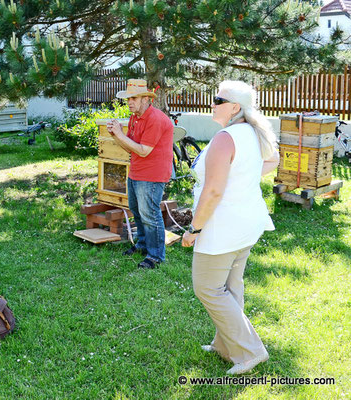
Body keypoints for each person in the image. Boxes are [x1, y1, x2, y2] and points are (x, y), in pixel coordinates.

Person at [181, 80, 279, 375]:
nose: (212, 103)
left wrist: (194, 230)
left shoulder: (226, 138)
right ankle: (226, 345)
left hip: (223, 226)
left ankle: (250, 351)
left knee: (208, 288)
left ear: (234, 107)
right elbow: (273, 159)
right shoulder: (251, 132)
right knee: (230, 285)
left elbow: (212, 193)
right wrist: (243, 178)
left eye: (217, 99)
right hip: (246, 224)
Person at [106, 79, 174, 269]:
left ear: (146, 99)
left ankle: (156, 256)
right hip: (136, 171)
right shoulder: (135, 117)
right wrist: (116, 135)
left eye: (133, 98)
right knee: (137, 212)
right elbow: (131, 148)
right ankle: (143, 245)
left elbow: (144, 150)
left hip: (152, 175)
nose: (129, 102)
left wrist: (120, 135)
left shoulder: (156, 119)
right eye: (128, 99)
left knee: (150, 214)